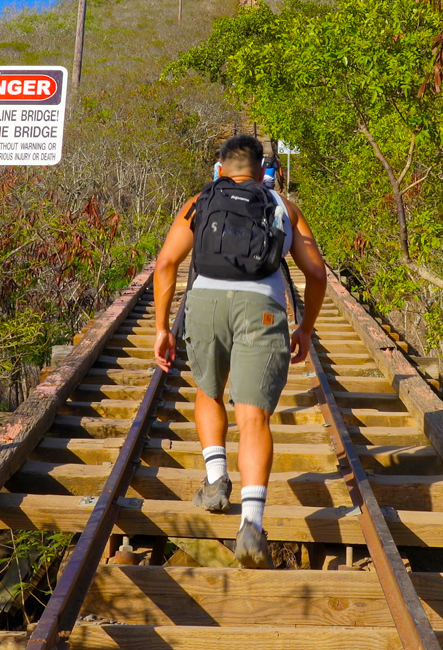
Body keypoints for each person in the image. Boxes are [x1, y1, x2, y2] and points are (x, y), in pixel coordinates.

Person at [152, 135, 328, 568]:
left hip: (206, 306)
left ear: (220, 168)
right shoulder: (282, 206)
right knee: (254, 416)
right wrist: (305, 327)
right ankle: (251, 524)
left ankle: (215, 481)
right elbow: (316, 273)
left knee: (209, 392)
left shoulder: (200, 201)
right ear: (262, 169)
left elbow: (165, 265)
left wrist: (161, 328)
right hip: (263, 311)